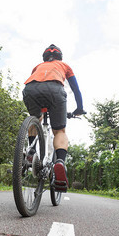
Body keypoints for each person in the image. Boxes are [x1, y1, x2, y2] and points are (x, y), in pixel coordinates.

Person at [22, 44, 86, 192]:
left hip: (30, 89)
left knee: (35, 118)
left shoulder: (38, 66)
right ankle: (59, 162)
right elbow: (76, 89)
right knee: (59, 131)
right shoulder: (64, 66)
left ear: (45, 57)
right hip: (55, 91)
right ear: (59, 57)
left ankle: (31, 151)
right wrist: (79, 108)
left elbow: (39, 87)